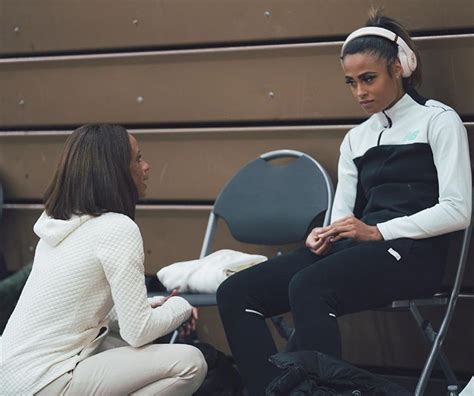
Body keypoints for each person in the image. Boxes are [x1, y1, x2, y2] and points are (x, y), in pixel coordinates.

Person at [217, 10, 471, 396]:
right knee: (236, 293)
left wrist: (377, 231)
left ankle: (321, 391)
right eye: (351, 83)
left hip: (414, 254)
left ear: (398, 68)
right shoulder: (356, 138)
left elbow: (458, 210)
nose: (359, 92)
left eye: (369, 79)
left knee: (309, 285)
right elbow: (343, 215)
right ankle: (272, 390)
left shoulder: (439, 120)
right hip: (359, 248)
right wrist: (326, 234)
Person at [0, 124, 207, 395]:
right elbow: (139, 331)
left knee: (113, 342)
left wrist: (155, 304)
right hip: (43, 381)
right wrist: (181, 306)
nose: (147, 166)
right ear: (114, 170)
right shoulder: (117, 228)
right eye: (138, 158)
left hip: (10, 377)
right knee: (190, 362)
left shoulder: (58, 226)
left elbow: (85, 310)